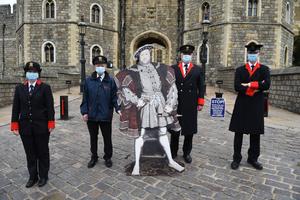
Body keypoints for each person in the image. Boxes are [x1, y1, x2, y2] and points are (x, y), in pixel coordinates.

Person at [115, 44, 184, 175]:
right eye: (143, 54)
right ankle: (137, 164)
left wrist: (170, 103)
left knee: (163, 131)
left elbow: (172, 87)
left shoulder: (162, 68)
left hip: (161, 103)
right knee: (141, 133)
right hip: (146, 105)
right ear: (138, 57)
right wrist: (137, 100)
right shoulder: (131, 71)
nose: (146, 56)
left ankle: (170, 160)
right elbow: (125, 89)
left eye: (147, 54)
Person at [11, 61, 55, 188]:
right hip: (25, 128)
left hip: (42, 127)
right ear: (26, 73)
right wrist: (14, 125)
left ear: (38, 74)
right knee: (30, 153)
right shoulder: (19, 88)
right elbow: (16, 108)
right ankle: (33, 176)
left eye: (34, 72)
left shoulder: (45, 88)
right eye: (29, 72)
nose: (31, 74)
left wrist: (51, 123)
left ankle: (43, 175)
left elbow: (50, 107)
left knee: (42, 152)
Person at [229, 42, 271, 170]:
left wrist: (248, 85)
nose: (252, 55)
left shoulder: (264, 69)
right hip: (242, 104)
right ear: (247, 54)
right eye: (250, 53)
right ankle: (236, 158)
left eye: (255, 53)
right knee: (238, 133)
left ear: (258, 54)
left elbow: (267, 85)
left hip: (256, 104)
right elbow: (237, 86)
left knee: (255, 133)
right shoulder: (240, 70)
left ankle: (253, 158)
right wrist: (256, 86)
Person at [80, 55, 121, 168]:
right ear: (94, 66)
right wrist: (84, 112)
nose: (100, 67)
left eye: (102, 65)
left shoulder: (111, 81)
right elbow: (85, 99)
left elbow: (114, 97)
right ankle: (94, 156)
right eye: (98, 65)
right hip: (92, 116)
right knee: (93, 137)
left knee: (107, 137)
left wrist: (118, 109)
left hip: (105, 115)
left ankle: (108, 157)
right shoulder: (88, 81)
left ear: (105, 66)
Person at [169, 44, 205, 163]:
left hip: (190, 103)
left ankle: (186, 153)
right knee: (175, 130)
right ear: (181, 55)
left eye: (189, 54)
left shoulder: (197, 69)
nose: (186, 56)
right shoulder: (173, 69)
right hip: (176, 103)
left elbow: (201, 86)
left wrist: (200, 102)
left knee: (189, 130)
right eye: (184, 54)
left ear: (192, 55)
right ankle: (173, 151)